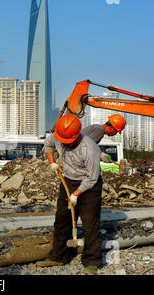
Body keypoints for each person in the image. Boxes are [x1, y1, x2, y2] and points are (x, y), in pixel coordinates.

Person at [36, 114, 102, 275]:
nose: (63, 143)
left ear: (76, 135)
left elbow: (92, 178)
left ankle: (92, 261)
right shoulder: (60, 135)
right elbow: (48, 144)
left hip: (88, 187)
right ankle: (58, 256)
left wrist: (76, 194)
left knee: (89, 224)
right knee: (61, 220)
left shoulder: (90, 149)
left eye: (67, 141)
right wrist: (52, 162)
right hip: (68, 181)